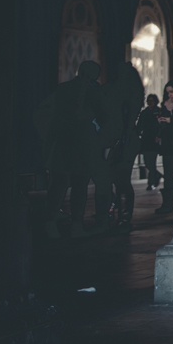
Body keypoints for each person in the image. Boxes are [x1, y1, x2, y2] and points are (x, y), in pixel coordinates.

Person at [34, 60, 108, 238]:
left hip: (62, 141)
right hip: (83, 142)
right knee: (79, 185)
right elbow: (103, 116)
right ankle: (76, 224)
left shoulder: (62, 89)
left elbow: (46, 111)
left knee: (58, 184)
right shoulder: (95, 92)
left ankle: (50, 222)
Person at [101, 63, 145, 233]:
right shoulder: (134, 93)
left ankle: (119, 216)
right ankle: (123, 218)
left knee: (115, 179)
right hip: (126, 140)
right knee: (121, 180)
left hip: (119, 139)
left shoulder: (117, 93)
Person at [154, 79, 173, 214]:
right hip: (168, 144)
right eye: (168, 93)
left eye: (172, 92)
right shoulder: (165, 105)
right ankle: (167, 205)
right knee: (168, 175)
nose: (170, 95)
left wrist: (171, 120)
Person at [137, 94, 162, 189]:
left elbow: (160, 125)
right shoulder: (144, 112)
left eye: (152, 100)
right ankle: (157, 175)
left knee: (152, 162)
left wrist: (159, 136)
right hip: (146, 139)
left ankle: (150, 182)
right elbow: (140, 125)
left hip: (154, 139)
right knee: (147, 162)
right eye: (149, 101)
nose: (150, 103)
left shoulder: (158, 111)